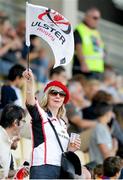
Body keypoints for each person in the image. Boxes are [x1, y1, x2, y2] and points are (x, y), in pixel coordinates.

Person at [23, 69, 81, 179]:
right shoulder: (41, 115)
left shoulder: (63, 124)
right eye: (54, 93)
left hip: (61, 170)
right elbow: (30, 103)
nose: (58, 96)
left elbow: (62, 151)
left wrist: (71, 149)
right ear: (47, 96)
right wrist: (30, 83)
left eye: (62, 94)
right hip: (42, 168)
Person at [72, 7, 105, 80]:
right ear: (87, 17)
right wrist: (83, 63)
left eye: (98, 18)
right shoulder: (79, 30)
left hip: (97, 69)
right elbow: (78, 47)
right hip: (85, 70)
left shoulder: (95, 32)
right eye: (95, 18)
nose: (97, 20)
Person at [0, 104, 26, 178]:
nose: (23, 125)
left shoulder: (7, 141)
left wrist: (19, 171)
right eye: (23, 121)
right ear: (15, 123)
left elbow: (4, 172)